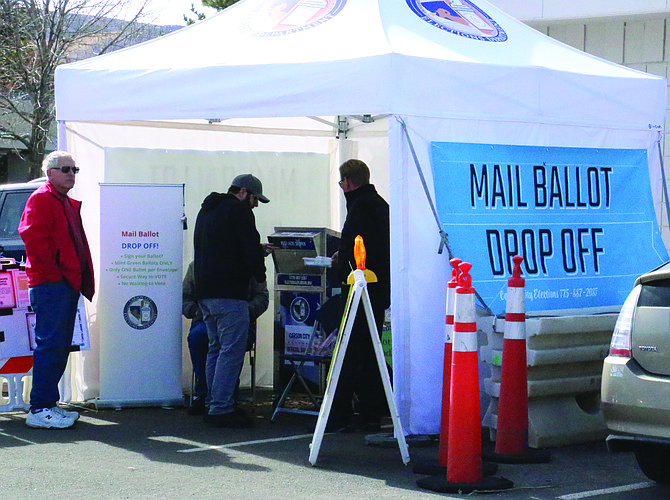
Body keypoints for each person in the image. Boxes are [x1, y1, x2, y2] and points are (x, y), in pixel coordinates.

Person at [19, 151, 94, 429]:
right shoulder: (41, 198)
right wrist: (54, 275)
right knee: (51, 344)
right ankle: (39, 408)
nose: (71, 174)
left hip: (64, 283)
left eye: (74, 169)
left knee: (60, 345)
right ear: (49, 172)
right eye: (65, 169)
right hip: (52, 284)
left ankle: (48, 404)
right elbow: (33, 238)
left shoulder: (60, 201)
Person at [193, 173, 271, 428]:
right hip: (230, 294)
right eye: (254, 199)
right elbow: (246, 249)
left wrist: (253, 251)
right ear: (243, 192)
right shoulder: (240, 212)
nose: (255, 205)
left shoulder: (206, 212)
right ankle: (221, 408)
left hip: (206, 292)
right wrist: (260, 271)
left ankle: (211, 402)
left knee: (215, 349)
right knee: (231, 351)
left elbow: (222, 248)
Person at [328, 159, 390, 433]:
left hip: (360, 288)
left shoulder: (359, 208)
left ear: (348, 182)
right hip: (379, 289)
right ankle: (370, 414)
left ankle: (339, 414)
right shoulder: (380, 205)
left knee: (350, 353)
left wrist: (341, 267)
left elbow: (358, 248)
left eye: (341, 182)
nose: (341, 187)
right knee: (370, 353)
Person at [182, 260, 269, 415]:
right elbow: (184, 296)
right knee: (199, 337)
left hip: (241, 319)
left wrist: (246, 311)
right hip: (205, 319)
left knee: (229, 342)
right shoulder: (196, 266)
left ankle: (224, 397)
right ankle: (205, 394)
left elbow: (262, 296)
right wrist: (195, 311)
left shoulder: (246, 265)